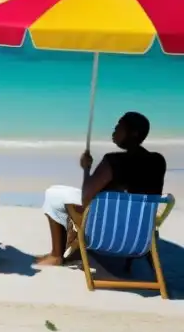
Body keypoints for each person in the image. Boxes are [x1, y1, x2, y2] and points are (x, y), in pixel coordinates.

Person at [35, 112, 166, 267]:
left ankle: (56, 255)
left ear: (134, 133)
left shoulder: (113, 161)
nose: (114, 130)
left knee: (53, 193)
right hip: (138, 232)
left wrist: (86, 169)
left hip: (107, 229)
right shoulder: (158, 161)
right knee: (62, 192)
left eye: (119, 127)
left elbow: (85, 198)